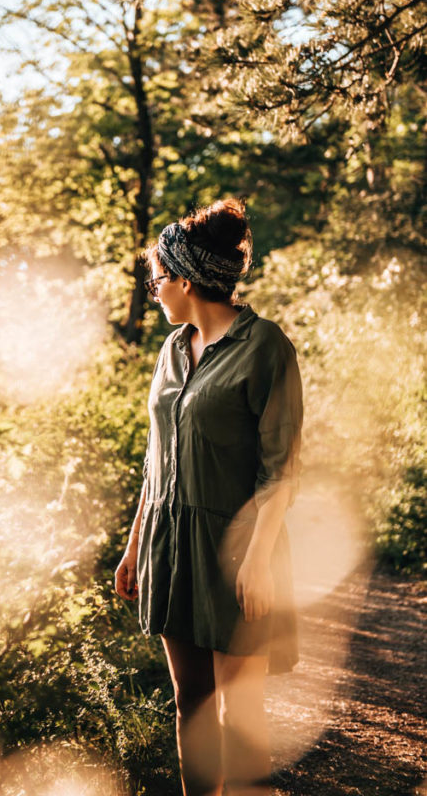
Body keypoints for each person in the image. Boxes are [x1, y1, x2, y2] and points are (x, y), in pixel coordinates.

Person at [115, 198, 303, 796]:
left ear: (187, 280)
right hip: (169, 545)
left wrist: (256, 558)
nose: (154, 291)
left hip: (238, 549)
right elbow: (156, 459)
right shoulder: (171, 350)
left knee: (237, 715)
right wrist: (134, 542)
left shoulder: (265, 347)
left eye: (159, 279)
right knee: (190, 706)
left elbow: (282, 470)